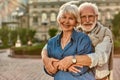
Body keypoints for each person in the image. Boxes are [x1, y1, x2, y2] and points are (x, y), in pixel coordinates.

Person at [42, 2, 113, 80]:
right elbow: (47, 48)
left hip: (98, 77)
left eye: (90, 16)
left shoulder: (104, 33)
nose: (87, 20)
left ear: (96, 17)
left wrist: (72, 59)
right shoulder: (75, 31)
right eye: (83, 17)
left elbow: (101, 57)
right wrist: (45, 58)